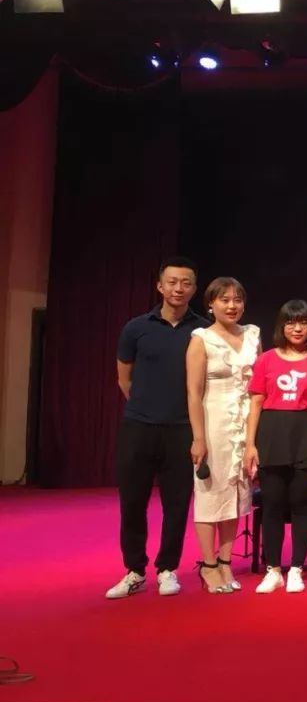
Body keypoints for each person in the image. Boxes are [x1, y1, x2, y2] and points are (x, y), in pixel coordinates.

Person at [106, 256, 209, 599]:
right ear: (160, 286)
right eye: (172, 282)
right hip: (139, 427)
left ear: (194, 289)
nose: (179, 288)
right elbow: (124, 379)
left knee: (176, 504)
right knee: (132, 501)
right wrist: (145, 406)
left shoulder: (203, 332)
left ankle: (168, 569)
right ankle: (134, 570)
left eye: (186, 283)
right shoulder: (136, 327)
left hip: (182, 429)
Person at [244, 300, 307, 594]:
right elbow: (256, 403)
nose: (297, 328)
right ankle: (273, 570)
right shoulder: (266, 360)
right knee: (272, 504)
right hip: (271, 434)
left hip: (306, 434)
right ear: (282, 326)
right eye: (291, 322)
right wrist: (250, 445)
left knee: (301, 503)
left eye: (303, 322)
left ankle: (296, 568)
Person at [186, 277, 260, 594]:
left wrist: (254, 435)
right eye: (224, 300)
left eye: (237, 300)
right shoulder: (201, 339)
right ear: (210, 305)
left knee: (237, 494)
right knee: (210, 493)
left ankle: (226, 561)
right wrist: (198, 437)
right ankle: (208, 564)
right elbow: (193, 393)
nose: (232, 306)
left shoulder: (253, 335)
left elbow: (259, 387)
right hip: (212, 422)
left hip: (245, 423)